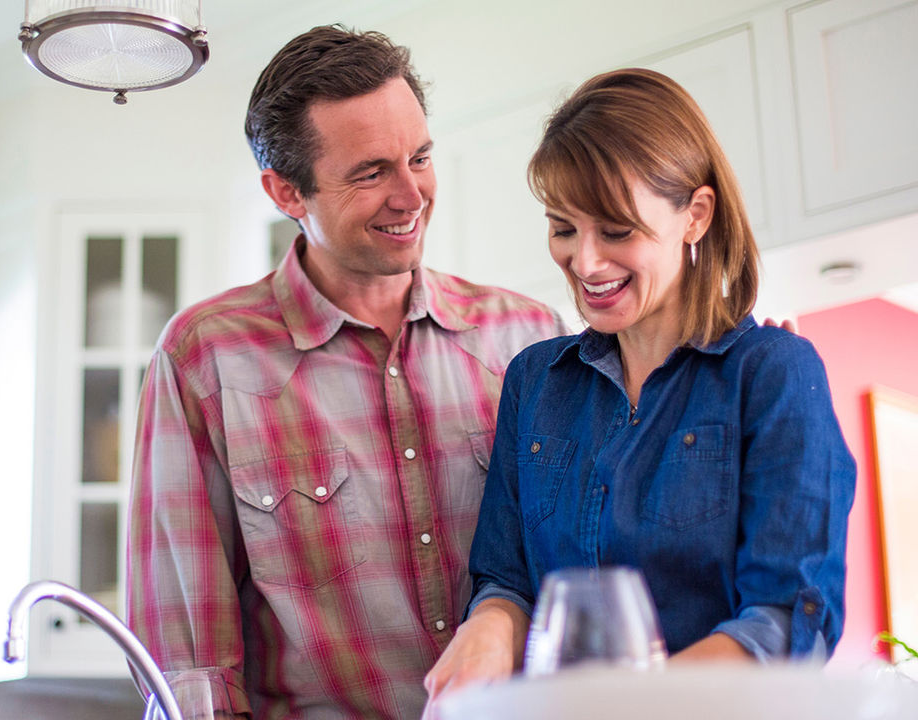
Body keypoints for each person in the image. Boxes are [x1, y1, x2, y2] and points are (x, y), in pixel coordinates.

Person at [126, 25, 567, 719]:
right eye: (371, 172)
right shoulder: (204, 360)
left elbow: (593, 574)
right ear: (286, 193)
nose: (411, 195)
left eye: (419, 157)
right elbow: (192, 669)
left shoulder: (530, 338)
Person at [424, 68, 856, 706]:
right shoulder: (535, 383)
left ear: (695, 216)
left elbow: (788, 618)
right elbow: (509, 577)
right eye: (564, 228)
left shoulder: (773, 373)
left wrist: (633, 702)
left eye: (617, 231)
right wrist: (490, 623)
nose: (587, 262)